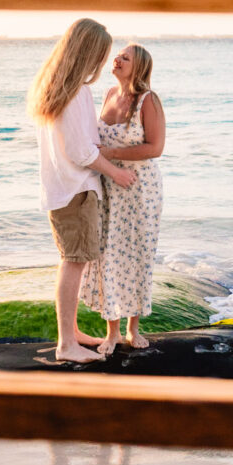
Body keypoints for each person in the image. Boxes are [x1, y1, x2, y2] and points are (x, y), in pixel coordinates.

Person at [28, 19, 136, 363]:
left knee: (73, 260)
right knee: (74, 263)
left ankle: (71, 332)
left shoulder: (52, 87)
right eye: (102, 54)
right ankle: (66, 345)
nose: (103, 62)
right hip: (77, 190)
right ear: (89, 53)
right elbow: (81, 151)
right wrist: (116, 172)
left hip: (61, 188)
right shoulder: (75, 92)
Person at [85, 43, 165, 356]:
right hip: (108, 187)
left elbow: (155, 148)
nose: (116, 59)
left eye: (125, 58)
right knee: (107, 255)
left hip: (140, 189)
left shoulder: (148, 100)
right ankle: (112, 332)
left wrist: (111, 153)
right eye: (118, 55)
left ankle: (134, 328)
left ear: (138, 67)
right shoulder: (108, 94)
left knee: (137, 254)